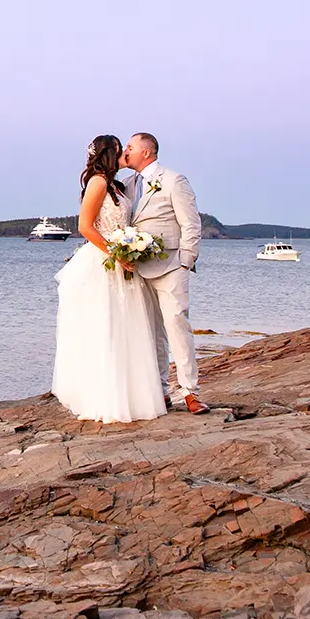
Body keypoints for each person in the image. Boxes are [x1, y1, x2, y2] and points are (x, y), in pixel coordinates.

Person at [51, 135, 167, 422]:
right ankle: (104, 398)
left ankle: (133, 396)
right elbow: (85, 227)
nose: (126, 153)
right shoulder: (98, 182)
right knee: (106, 328)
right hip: (104, 261)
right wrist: (116, 253)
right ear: (110, 153)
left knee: (128, 328)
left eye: (129, 148)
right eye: (122, 149)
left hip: (122, 261)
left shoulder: (117, 184)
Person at [118, 132, 207, 414]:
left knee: (177, 324)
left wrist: (186, 261)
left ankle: (190, 391)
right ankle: (160, 390)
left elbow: (191, 224)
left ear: (147, 151)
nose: (125, 152)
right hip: (138, 269)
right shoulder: (126, 185)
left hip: (171, 266)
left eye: (130, 147)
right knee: (152, 332)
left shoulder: (173, 180)